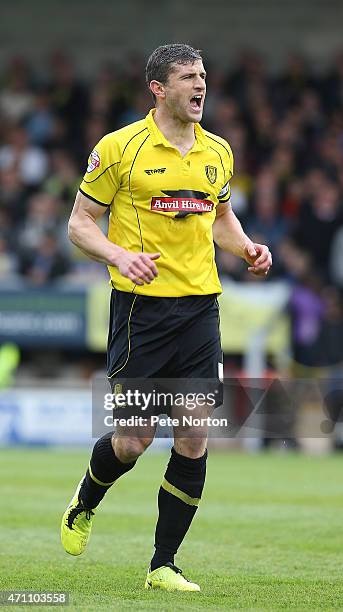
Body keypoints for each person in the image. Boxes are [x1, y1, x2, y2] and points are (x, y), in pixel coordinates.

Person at [60, 44, 272, 593]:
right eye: (187, 78)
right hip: (140, 311)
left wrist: (247, 248)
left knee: (195, 434)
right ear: (159, 88)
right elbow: (80, 224)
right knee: (133, 441)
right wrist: (118, 255)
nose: (200, 86)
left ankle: (163, 565)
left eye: (203, 76)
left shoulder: (217, 151)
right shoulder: (120, 149)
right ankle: (85, 501)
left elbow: (220, 217)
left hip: (201, 307)